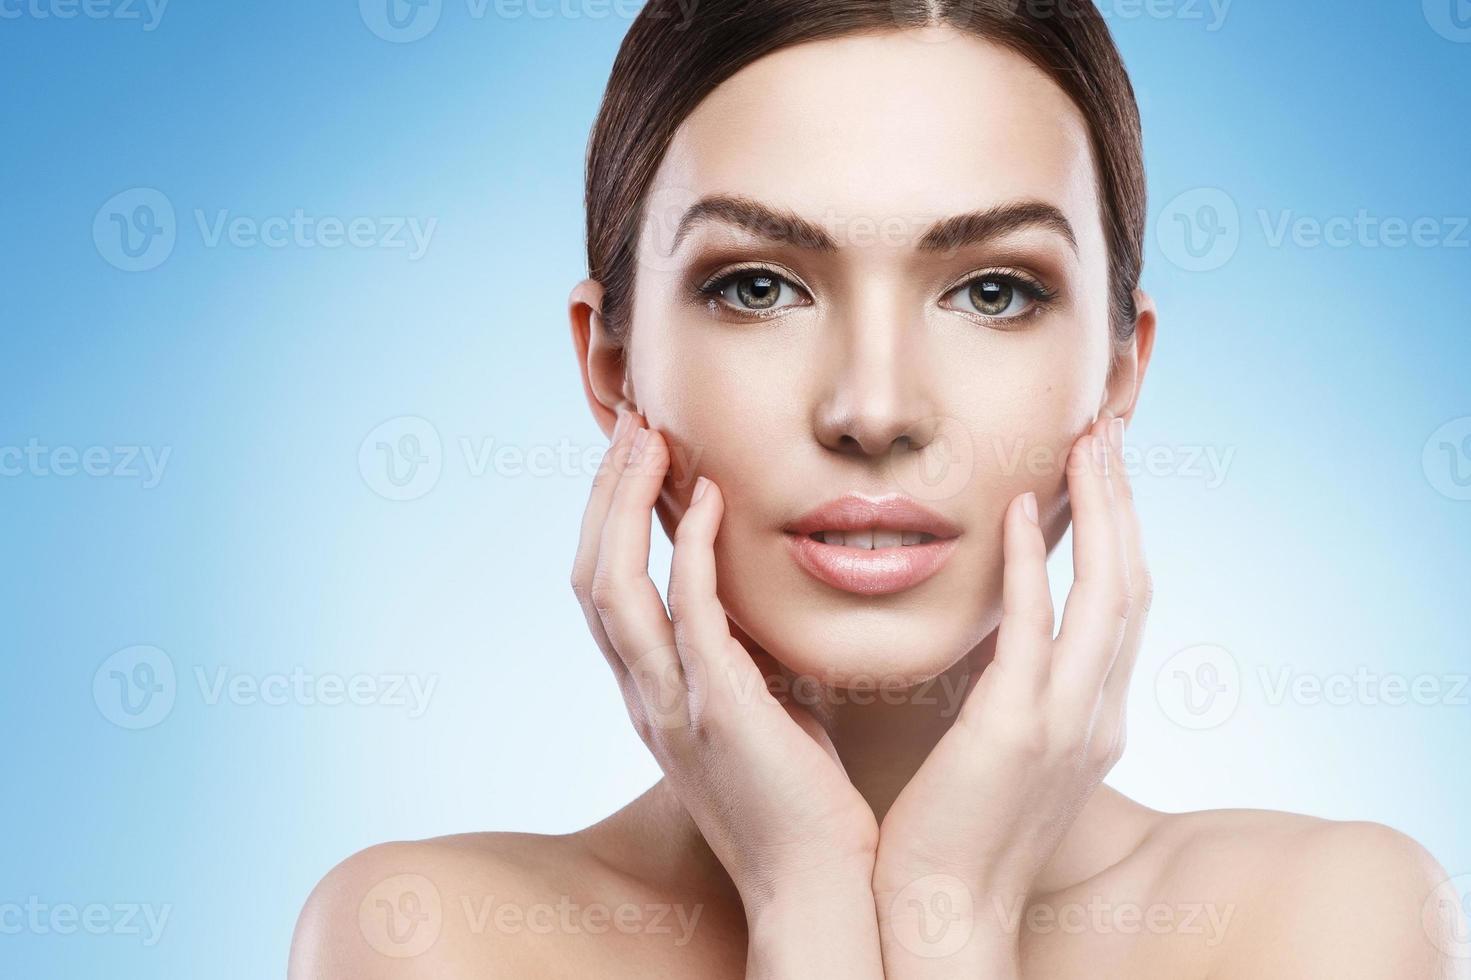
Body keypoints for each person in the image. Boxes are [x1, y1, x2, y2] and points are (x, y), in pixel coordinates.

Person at [290, 1, 1465, 976]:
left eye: (994, 290)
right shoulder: (427, 936)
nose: (875, 407)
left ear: (1117, 375)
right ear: (613, 365)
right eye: (756, 286)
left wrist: (949, 902)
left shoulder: (1326, 925)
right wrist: (804, 903)